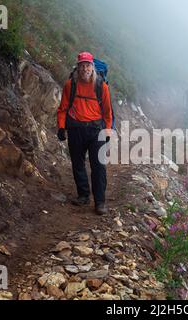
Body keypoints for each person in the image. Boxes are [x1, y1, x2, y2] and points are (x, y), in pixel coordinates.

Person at [56, 52, 113, 216]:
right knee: (77, 163)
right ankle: (83, 195)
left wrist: (108, 130)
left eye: (87, 65)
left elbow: (108, 112)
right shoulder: (70, 85)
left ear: (92, 67)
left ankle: (100, 202)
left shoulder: (101, 86)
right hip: (75, 129)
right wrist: (61, 127)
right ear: (78, 66)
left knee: (99, 167)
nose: (84, 68)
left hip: (96, 130)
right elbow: (63, 109)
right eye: (82, 65)